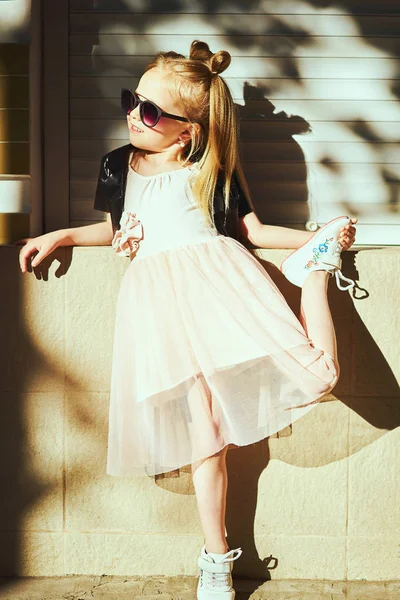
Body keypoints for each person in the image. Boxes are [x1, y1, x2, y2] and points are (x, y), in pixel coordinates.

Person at [17, 40, 357, 600]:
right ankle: (216, 559)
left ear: (187, 131)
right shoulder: (115, 164)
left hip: (221, 295)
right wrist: (63, 233)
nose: (133, 114)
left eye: (149, 111)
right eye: (133, 100)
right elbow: (117, 226)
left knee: (321, 374)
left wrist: (319, 239)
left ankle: (314, 275)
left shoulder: (213, 168)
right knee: (207, 438)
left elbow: (251, 232)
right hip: (160, 312)